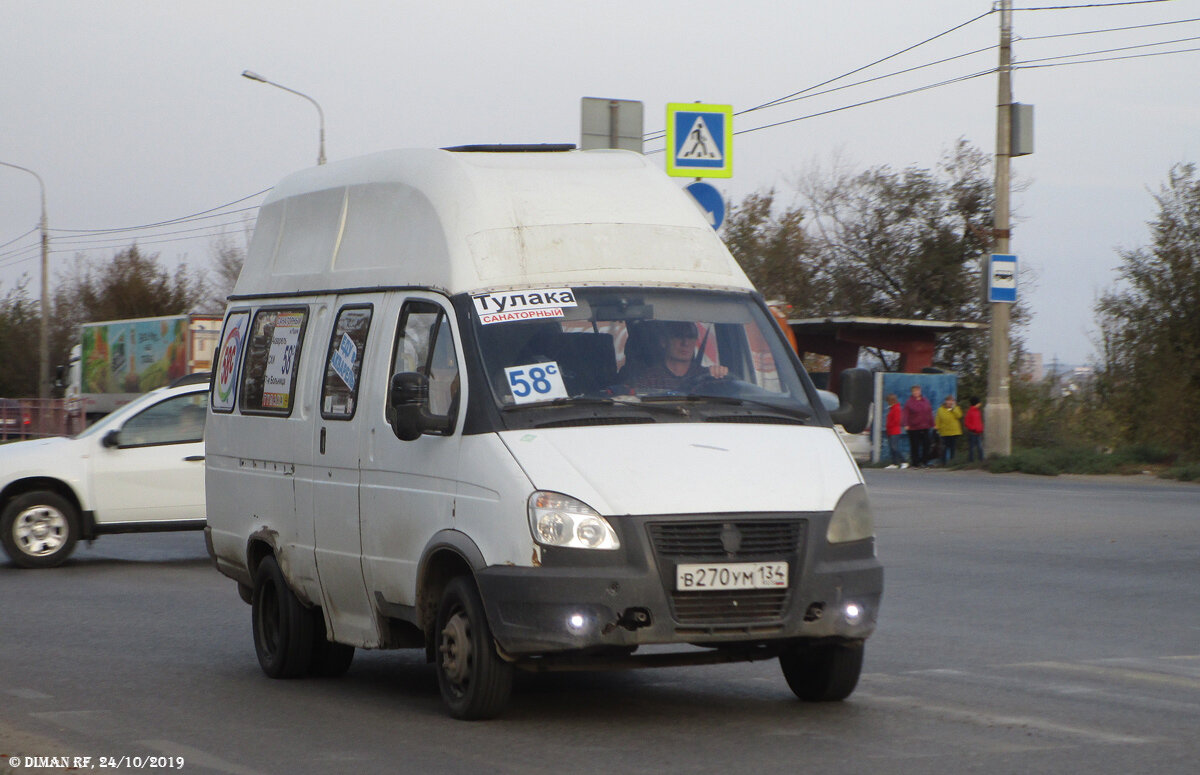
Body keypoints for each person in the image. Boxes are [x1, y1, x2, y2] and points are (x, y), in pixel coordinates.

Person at [624, 321, 728, 391]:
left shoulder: (707, 377)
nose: (685, 343)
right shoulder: (648, 379)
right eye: (678, 336)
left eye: (690, 337)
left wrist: (721, 375)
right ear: (663, 342)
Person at [902, 384, 934, 468]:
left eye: (918, 391)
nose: (916, 392)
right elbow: (905, 414)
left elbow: (929, 412)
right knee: (915, 446)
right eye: (914, 391)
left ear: (920, 391)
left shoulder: (925, 401)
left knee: (926, 445)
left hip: (925, 426)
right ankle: (915, 463)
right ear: (912, 392)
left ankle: (924, 462)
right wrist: (905, 424)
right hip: (913, 427)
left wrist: (932, 423)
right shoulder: (909, 402)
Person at [934, 395, 963, 465]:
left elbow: (959, 416)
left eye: (951, 401)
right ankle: (943, 463)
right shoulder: (940, 409)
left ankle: (952, 462)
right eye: (948, 400)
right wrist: (936, 428)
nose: (950, 402)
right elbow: (938, 420)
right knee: (944, 448)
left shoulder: (956, 408)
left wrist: (953, 409)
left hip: (954, 432)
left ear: (954, 402)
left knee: (952, 448)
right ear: (945, 401)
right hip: (944, 432)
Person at [884, 393, 906, 468]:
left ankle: (904, 461)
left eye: (888, 401)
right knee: (892, 448)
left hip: (895, 431)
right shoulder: (892, 408)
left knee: (894, 447)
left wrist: (889, 425)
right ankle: (894, 463)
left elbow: (896, 420)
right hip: (890, 431)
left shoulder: (896, 408)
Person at [964, 396, 984, 462]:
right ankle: (971, 460)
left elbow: (979, 421)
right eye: (979, 403)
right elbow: (967, 422)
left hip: (978, 432)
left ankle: (981, 459)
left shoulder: (978, 411)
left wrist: (981, 428)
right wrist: (973, 428)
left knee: (980, 447)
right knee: (972, 448)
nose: (980, 404)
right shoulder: (970, 412)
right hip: (972, 432)